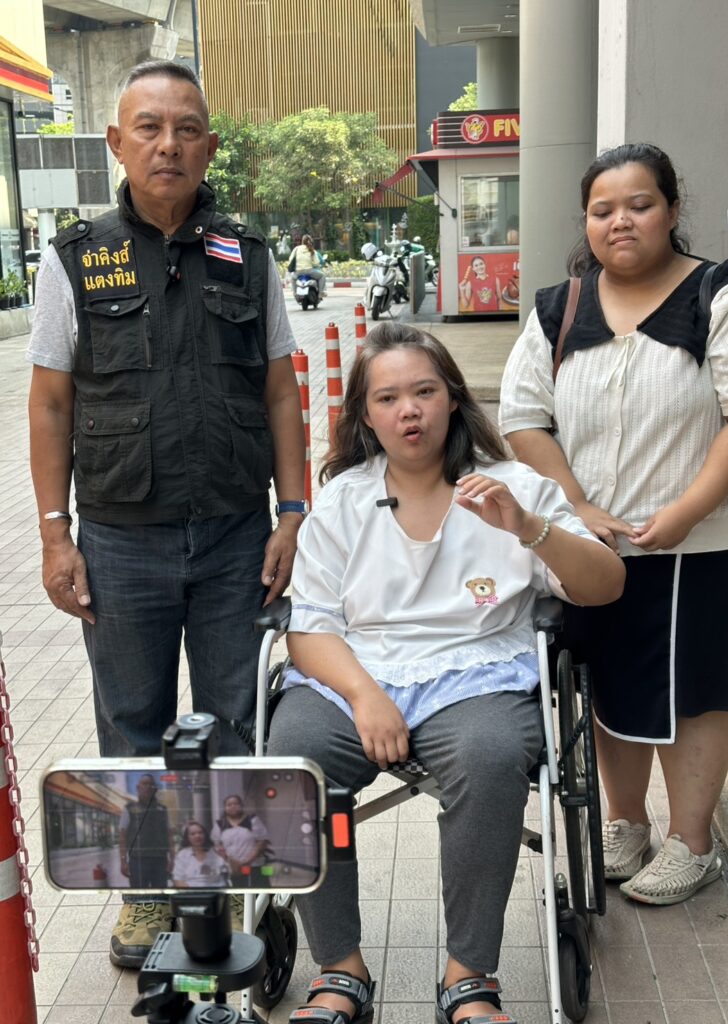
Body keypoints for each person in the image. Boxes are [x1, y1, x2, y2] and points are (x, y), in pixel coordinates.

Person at [26, 60, 306, 967]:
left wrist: (293, 512)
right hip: (120, 538)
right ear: (117, 142)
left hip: (235, 536)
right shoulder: (76, 259)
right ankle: (148, 896)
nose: (168, 144)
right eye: (148, 127)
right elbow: (50, 404)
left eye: (186, 128)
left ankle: (222, 888)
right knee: (131, 723)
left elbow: (280, 393)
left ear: (210, 145)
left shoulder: (248, 254)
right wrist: (55, 533)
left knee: (232, 721)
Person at [267, 322, 624, 1024]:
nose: (410, 411)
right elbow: (309, 628)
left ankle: (468, 977)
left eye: (425, 392)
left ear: (453, 399)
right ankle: (339, 969)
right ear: (366, 415)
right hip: (354, 675)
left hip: (476, 673)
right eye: (388, 398)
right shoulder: (342, 500)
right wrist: (364, 696)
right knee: (294, 756)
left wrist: (528, 528)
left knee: (490, 755)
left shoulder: (515, 487)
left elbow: (606, 584)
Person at [499, 142, 728, 907]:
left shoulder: (721, 291)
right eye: (603, 209)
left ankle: (693, 842)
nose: (621, 221)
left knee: (693, 693)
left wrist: (686, 510)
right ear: (586, 221)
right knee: (608, 686)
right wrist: (575, 506)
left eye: (640, 204)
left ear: (672, 210)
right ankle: (625, 824)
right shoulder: (559, 307)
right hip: (595, 547)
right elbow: (523, 417)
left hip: (705, 543)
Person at [118, 774, 174, 888]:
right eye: (144, 784)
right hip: (137, 860)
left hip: (160, 860)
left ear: (154, 789)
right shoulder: (129, 809)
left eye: (151, 784)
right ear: (138, 787)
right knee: (139, 894)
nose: (148, 787)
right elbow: (122, 836)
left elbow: (169, 835)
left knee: (160, 894)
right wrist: (123, 861)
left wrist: (172, 859)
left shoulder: (162, 810)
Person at [211, 793, 270, 884]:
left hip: (253, 866)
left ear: (241, 806)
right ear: (225, 808)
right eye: (229, 805)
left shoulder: (252, 820)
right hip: (232, 868)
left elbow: (261, 842)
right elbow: (217, 845)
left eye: (236, 804)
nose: (233, 806)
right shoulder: (220, 824)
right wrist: (231, 861)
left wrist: (247, 862)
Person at [172, 821, 228, 888]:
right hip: (191, 891)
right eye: (193, 834)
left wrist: (225, 857)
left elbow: (230, 872)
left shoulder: (216, 852)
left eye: (200, 833)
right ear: (187, 837)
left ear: (205, 835)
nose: (197, 836)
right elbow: (178, 880)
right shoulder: (183, 855)